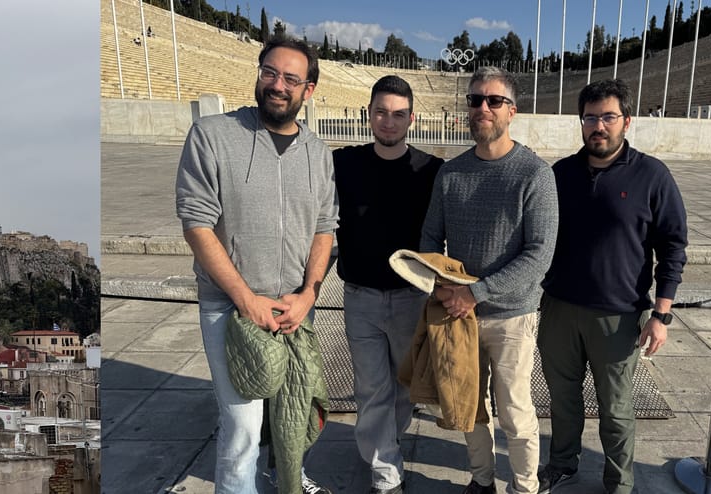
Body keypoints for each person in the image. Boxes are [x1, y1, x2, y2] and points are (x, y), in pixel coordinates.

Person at [175, 36, 336, 494]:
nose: (277, 85)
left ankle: (287, 480)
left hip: (292, 309)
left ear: (308, 89)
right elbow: (197, 225)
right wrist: (246, 300)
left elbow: (325, 228)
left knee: (295, 414)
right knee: (243, 428)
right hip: (231, 308)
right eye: (269, 72)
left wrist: (307, 296)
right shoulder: (212, 135)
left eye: (291, 78)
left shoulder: (318, 153)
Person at [537, 79, 688, 494]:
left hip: (618, 316)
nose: (598, 126)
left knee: (616, 409)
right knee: (562, 399)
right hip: (560, 309)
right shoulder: (560, 174)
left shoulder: (652, 175)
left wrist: (661, 315)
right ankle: (563, 463)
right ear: (581, 122)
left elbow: (673, 247)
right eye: (590, 118)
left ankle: (620, 482)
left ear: (627, 121)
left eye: (608, 117)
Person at [420, 66, 559, 494]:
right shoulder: (452, 173)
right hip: (459, 313)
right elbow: (430, 236)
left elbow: (539, 255)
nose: (483, 107)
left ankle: (524, 486)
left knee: (515, 410)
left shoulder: (535, 174)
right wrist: (439, 285)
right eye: (476, 99)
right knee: (469, 406)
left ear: (512, 111)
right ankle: (481, 481)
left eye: (494, 100)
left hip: (511, 315)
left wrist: (475, 293)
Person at [331, 75, 444, 494]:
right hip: (360, 297)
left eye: (398, 114)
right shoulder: (343, 164)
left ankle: (386, 444)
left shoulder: (431, 170)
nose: (389, 121)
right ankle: (386, 473)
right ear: (369, 114)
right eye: (381, 112)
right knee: (371, 387)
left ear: (411, 119)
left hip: (411, 298)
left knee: (403, 388)